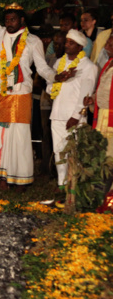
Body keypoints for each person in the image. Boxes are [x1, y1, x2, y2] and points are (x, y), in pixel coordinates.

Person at [0, 2, 60, 189]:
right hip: (0, 92)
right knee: (1, 135)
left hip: (21, 92)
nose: (9, 23)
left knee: (20, 136)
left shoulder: (33, 41)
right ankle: (3, 177)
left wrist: (55, 77)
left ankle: (22, 177)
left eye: (13, 19)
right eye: (6, 20)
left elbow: (41, 67)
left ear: (22, 20)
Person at [47, 30, 98, 190]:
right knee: (58, 150)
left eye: (70, 43)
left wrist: (75, 116)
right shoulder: (59, 63)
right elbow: (49, 88)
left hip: (75, 117)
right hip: (57, 113)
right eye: (66, 42)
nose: (66, 45)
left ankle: (73, 185)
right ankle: (62, 184)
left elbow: (86, 94)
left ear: (80, 47)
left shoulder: (88, 66)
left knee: (73, 152)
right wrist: (62, 78)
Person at [86, 34, 113, 155]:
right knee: (102, 154)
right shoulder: (108, 63)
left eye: (110, 45)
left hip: (111, 116)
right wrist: (93, 99)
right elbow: (102, 88)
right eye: (107, 43)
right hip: (102, 114)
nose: (106, 46)